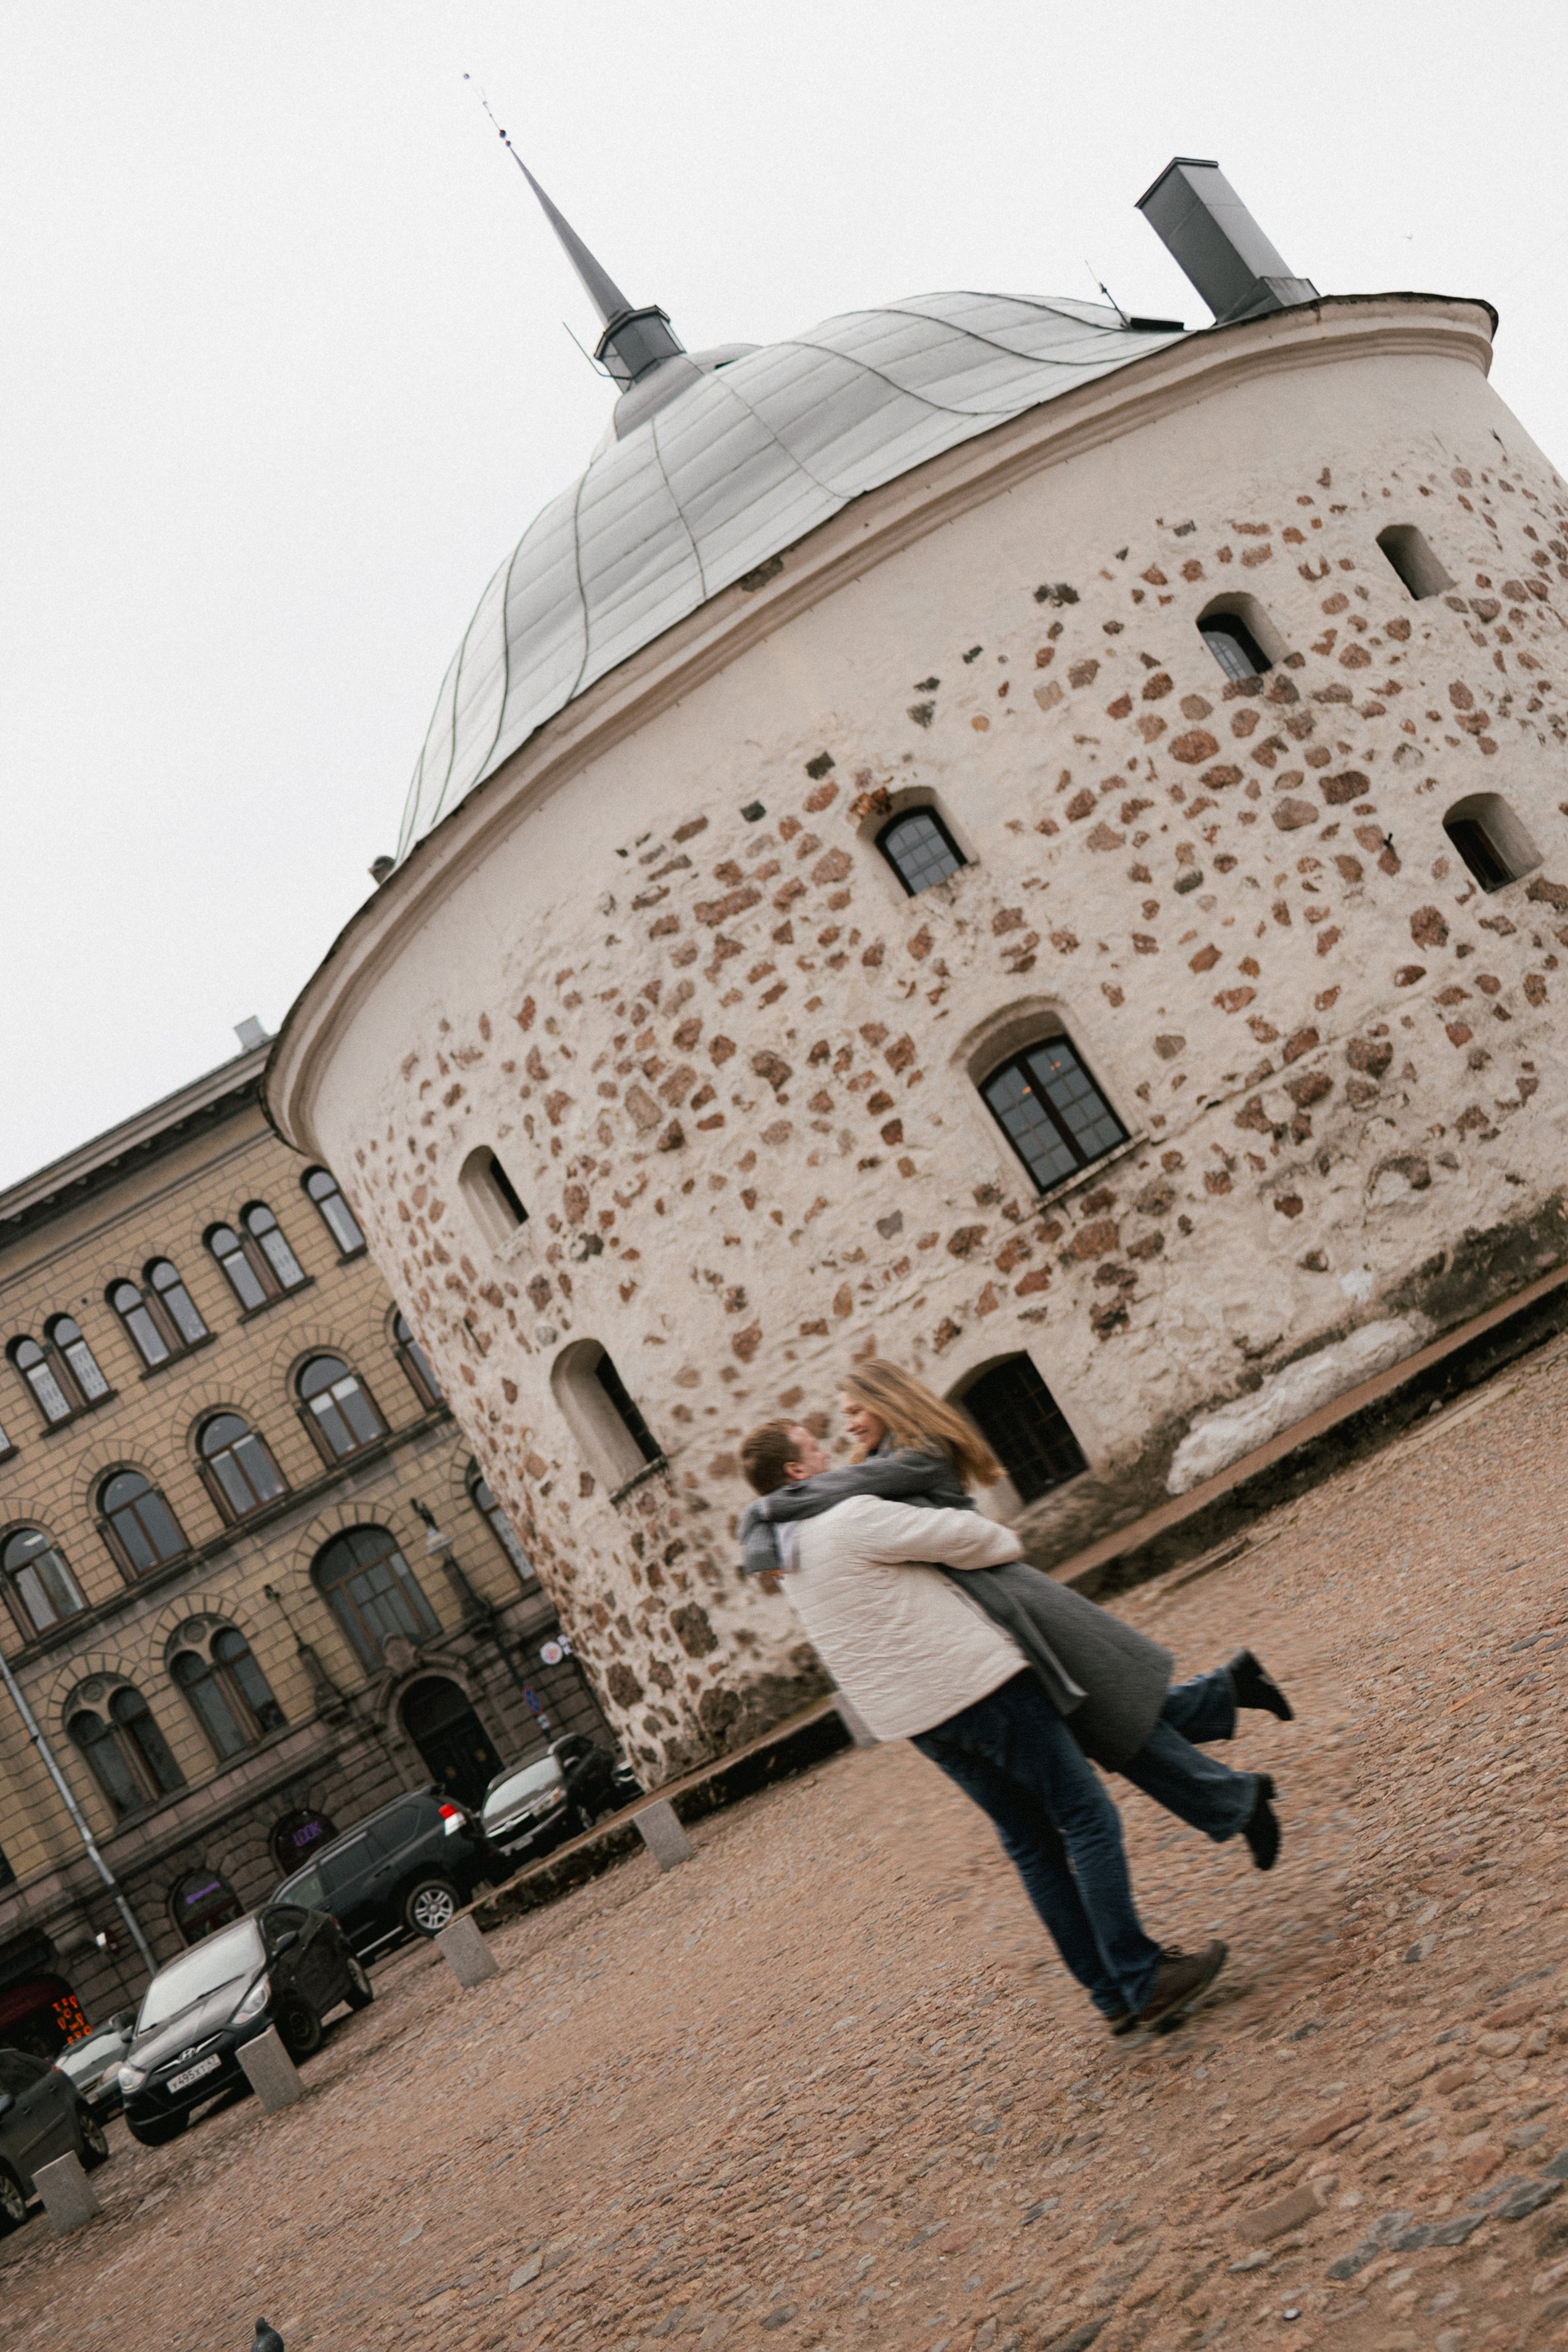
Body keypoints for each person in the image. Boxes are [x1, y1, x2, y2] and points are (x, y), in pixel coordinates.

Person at [738, 1365, 1292, 2034]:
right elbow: (979, 1538)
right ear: (797, 1473)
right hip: (978, 1688)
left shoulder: (789, 1556)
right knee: (1085, 1816)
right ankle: (1143, 1977)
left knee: (1032, 1844)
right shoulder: (850, 1517)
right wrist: (990, 1545)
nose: (832, 1449)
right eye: (815, 1448)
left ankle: (1113, 1995)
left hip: (916, 1720)